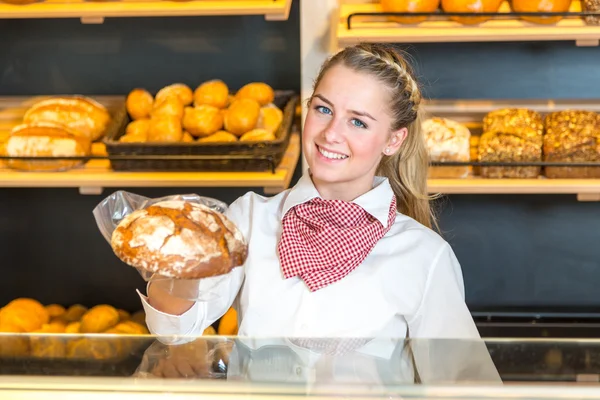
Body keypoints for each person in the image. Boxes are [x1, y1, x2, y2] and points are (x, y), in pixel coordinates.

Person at [138, 43, 483, 344]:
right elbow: (173, 329)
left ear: (394, 140)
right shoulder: (249, 218)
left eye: (358, 122)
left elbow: (461, 383)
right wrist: (176, 257)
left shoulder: (424, 255)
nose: (331, 133)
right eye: (323, 109)